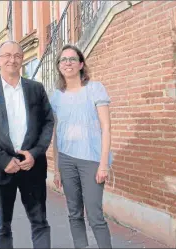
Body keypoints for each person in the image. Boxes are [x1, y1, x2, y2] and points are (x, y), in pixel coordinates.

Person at [0, 41, 54, 249]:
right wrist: (2, 159)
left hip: (31, 166)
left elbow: (48, 122)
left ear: (22, 59)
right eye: (6, 55)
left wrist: (35, 153)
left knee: (40, 223)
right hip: (0, 169)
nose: (12, 59)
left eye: (17, 55)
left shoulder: (36, 88)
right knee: (2, 225)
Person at [50, 44, 113, 248]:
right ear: (59, 66)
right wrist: (57, 169)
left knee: (95, 215)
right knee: (74, 212)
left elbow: (106, 128)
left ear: (81, 64)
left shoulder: (95, 88)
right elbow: (56, 134)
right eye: (63, 60)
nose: (67, 63)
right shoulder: (56, 96)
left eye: (72, 59)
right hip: (66, 160)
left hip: (92, 160)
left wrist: (104, 164)